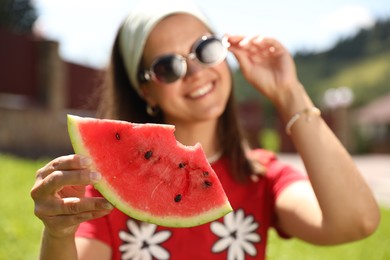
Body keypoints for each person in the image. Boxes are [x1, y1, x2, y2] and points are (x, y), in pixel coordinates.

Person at [31, 0, 380, 259]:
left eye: (204, 48)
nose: (196, 71)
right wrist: (59, 233)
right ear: (146, 89)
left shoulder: (262, 178)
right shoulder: (104, 187)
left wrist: (290, 94)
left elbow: (356, 222)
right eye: (168, 65)